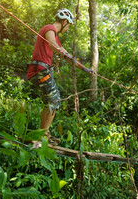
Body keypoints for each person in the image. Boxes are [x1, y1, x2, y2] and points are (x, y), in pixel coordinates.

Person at [27, 8, 93, 145]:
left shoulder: (56, 36)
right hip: (40, 70)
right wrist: (58, 51)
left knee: (51, 101)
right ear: (64, 22)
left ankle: (43, 133)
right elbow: (52, 44)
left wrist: (84, 69)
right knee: (54, 99)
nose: (67, 29)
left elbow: (66, 54)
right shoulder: (50, 29)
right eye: (68, 25)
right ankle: (42, 135)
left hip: (42, 70)